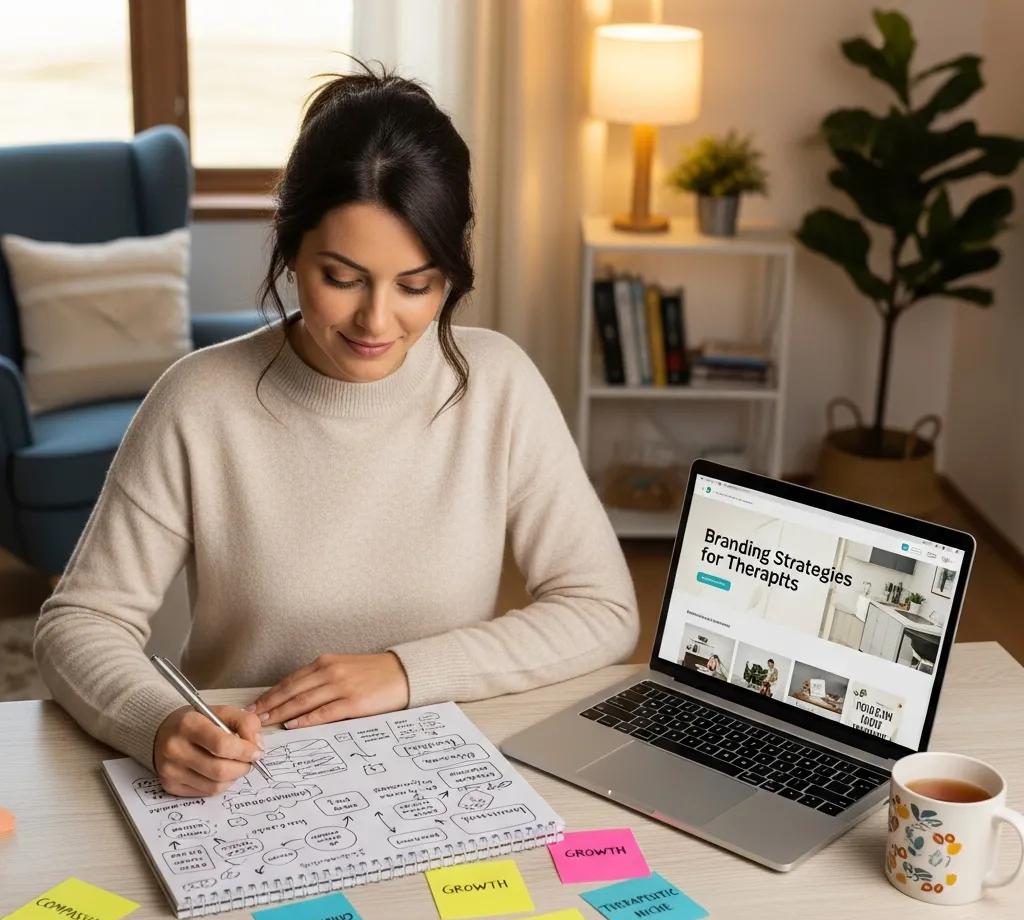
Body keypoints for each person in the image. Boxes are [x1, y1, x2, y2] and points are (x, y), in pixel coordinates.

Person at [33, 62, 639, 798]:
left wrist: (406, 671)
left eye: (416, 286)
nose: (376, 322)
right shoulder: (198, 401)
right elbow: (79, 622)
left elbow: (603, 611)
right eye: (343, 278)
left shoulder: (498, 383)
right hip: (246, 785)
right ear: (290, 250)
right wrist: (156, 720)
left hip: (434, 773)